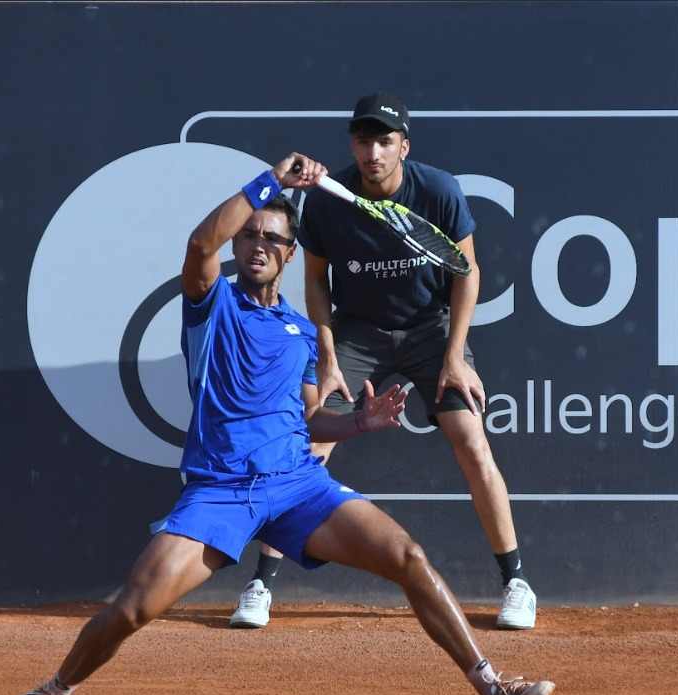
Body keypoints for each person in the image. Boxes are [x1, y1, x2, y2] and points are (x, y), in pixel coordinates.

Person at [0, 153, 554, 695]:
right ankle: (55, 689)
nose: (257, 245)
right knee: (136, 604)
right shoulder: (210, 305)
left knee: (408, 558)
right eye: (248, 236)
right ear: (237, 248)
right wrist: (271, 181)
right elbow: (197, 245)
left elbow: (311, 420)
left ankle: (494, 690)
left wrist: (357, 425)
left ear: (291, 255)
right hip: (221, 490)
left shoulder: (302, 333)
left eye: (272, 238)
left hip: (296, 485)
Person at [230, 94, 539, 632]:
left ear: (403, 147)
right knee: (306, 445)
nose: (372, 152)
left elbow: (466, 272)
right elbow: (316, 284)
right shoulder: (328, 200)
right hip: (358, 334)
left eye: (384, 142)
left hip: (429, 329)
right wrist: (327, 355)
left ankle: (516, 581)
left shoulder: (438, 190)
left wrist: (454, 356)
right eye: (363, 141)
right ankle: (261, 584)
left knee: (471, 440)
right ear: (353, 144)